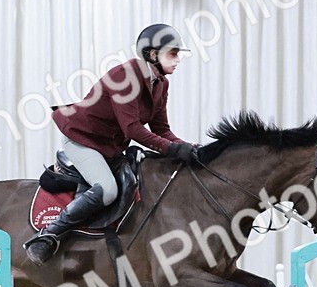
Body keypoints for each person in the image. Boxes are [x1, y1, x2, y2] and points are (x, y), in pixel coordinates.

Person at [24, 23, 200, 265]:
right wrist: (172, 149)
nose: (178, 59)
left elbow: (161, 129)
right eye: (173, 53)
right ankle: (48, 235)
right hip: (83, 140)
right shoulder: (125, 77)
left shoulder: (161, 84)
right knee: (108, 190)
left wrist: (188, 148)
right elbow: (133, 129)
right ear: (152, 54)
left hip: (111, 147)